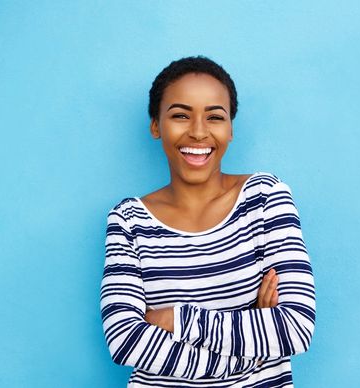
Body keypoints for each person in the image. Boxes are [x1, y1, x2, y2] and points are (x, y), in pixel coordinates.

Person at [100, 56, 316, 387]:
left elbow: (296, 328)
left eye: (215, 117)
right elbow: (125, 340)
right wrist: (252, 350)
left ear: (230, 129)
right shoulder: (129, 220)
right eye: (180, 115)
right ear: (156, 125)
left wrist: (174, 319)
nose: (199, 132)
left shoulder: (265, 197)